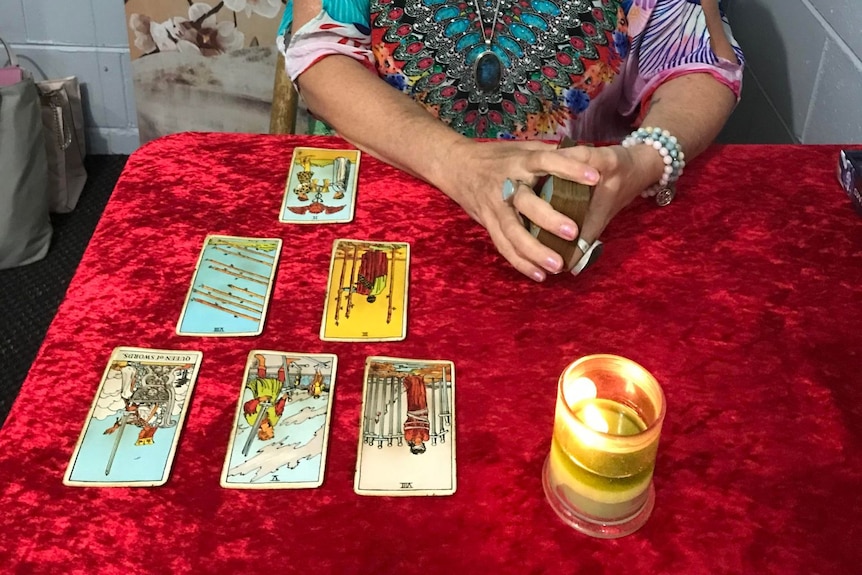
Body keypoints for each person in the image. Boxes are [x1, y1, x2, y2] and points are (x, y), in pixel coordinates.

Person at [279, 1, 744, 281]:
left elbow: (701, 66)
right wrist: (453, 160)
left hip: (576, 222)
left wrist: (645, 161)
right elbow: (321, 51)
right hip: (396, 204)